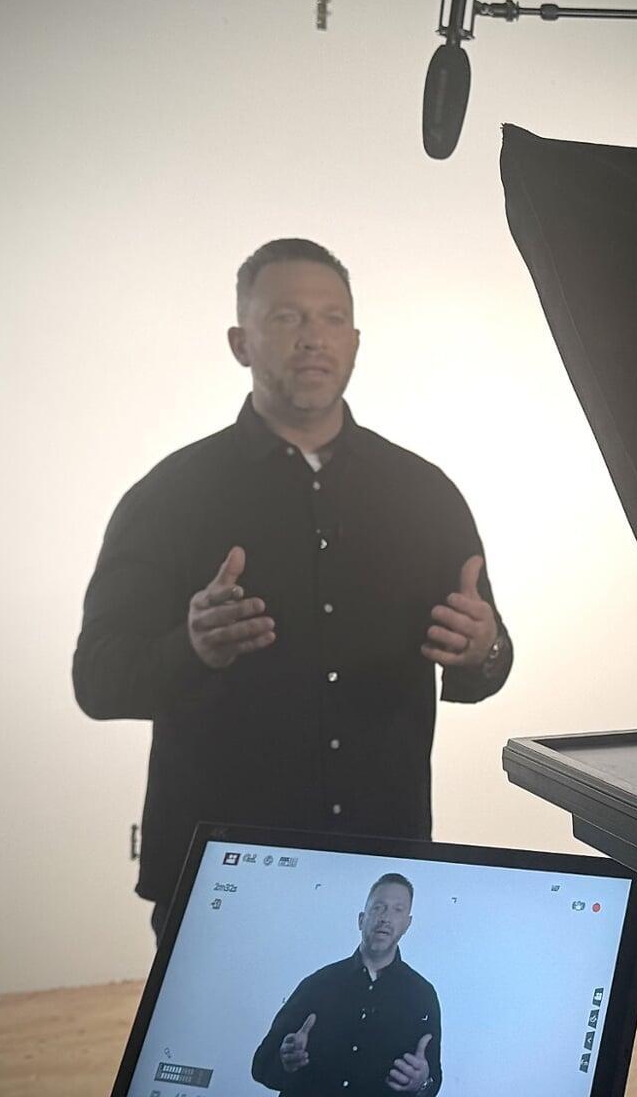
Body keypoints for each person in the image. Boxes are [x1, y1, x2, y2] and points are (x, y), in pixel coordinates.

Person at [73, 239, 512, 936]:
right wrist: (191, 648)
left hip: (381, 867)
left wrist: (482, 648)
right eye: (286, 317)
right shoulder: (168, 497)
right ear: (239, 342)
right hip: (221, 873)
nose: (313, 337)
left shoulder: (425, 493)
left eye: (333, 318)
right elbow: (97, 681)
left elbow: (490, 660)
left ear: (356, 342)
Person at [252, 873, 441, 1094]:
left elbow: (433, 1081)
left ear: (407, 924)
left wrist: (422, 1083)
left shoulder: (422, 995)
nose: (385, 918)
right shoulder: (317, 985)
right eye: (378, 908)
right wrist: (284, 1061)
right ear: (361, 919)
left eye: (397, 910)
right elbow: (261, 1066)